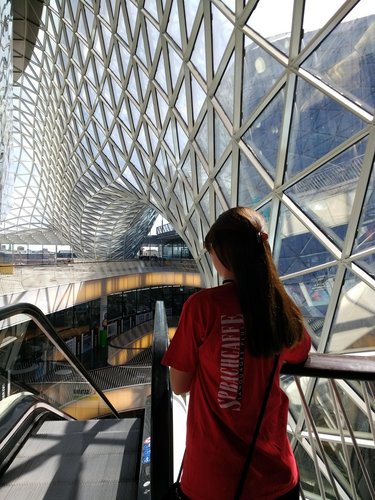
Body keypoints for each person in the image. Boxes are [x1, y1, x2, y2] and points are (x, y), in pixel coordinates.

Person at [162, 207, 312, 500]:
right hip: (276, 478)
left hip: (211, 481)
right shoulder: (278, 308)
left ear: (222, 253)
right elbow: (299, 354)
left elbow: (179, 385)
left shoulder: (202, 307)